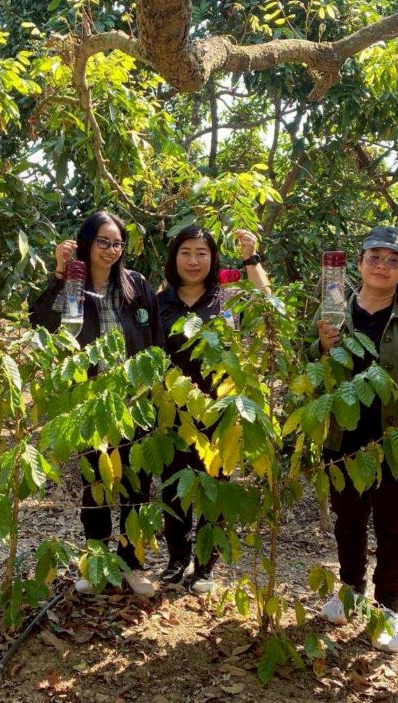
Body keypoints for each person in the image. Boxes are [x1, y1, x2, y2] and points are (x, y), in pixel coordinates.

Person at [310, 226, 398, 653]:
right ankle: (350, 590)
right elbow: (310, 367)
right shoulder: (335, 308)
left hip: (397, 437)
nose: (382, 266)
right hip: (343, 436)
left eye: (393, 260)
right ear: (360, 262)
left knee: (394, 526)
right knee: (348, 521)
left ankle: (389, 607)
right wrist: (321, 345)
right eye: (375, 257)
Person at [30, 211, 165, 597]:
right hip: (90, 401)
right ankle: (97, 563)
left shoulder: (136, 285)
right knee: (96, 483)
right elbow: (42, 324)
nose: (111, 250)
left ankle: (133, 565)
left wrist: (155, 390)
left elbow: (154, 339)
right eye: (103, 242)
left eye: (117, 243)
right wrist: (59, 273)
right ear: (86, 243)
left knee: (137, 484)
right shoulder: (72, 284)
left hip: (133, 401)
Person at [156, 226, 271, 595]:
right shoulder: (160, 302)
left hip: (219, 409)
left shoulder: (227, 297)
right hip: (172, 412)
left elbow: (266, 304)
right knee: (174, 487)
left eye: (201, 253)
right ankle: (177, 558)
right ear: (174, 258)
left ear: (213, 258)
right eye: (186, 252)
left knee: (215, 488)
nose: (193, 261)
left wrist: (251, 258)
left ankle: (205, 565)